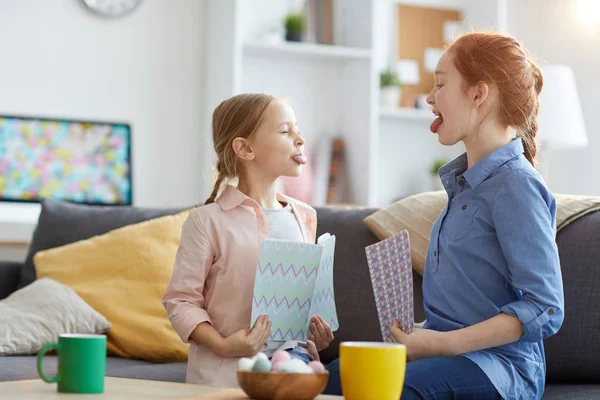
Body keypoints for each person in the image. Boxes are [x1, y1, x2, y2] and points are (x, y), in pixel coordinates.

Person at [324, 32, 564, 400]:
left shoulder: (517, 184)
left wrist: (442, 345)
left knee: (385, 389)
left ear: (478, 93)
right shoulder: (463, 188)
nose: (430, 98)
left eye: (439, 83)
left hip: (499, 369)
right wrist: (420, 334)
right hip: (450, 356)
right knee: (330, 378)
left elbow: (545, 308)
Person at [162, 93, 334, 388]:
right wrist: (222, 344)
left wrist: (316, 330)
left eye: (298, 129)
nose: (300, 139)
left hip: (294, 368)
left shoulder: (305, 216)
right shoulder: (207, 221)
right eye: (285, 130)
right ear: (245, 148)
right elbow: (180, 301)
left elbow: (303, 297)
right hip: (226, 376)